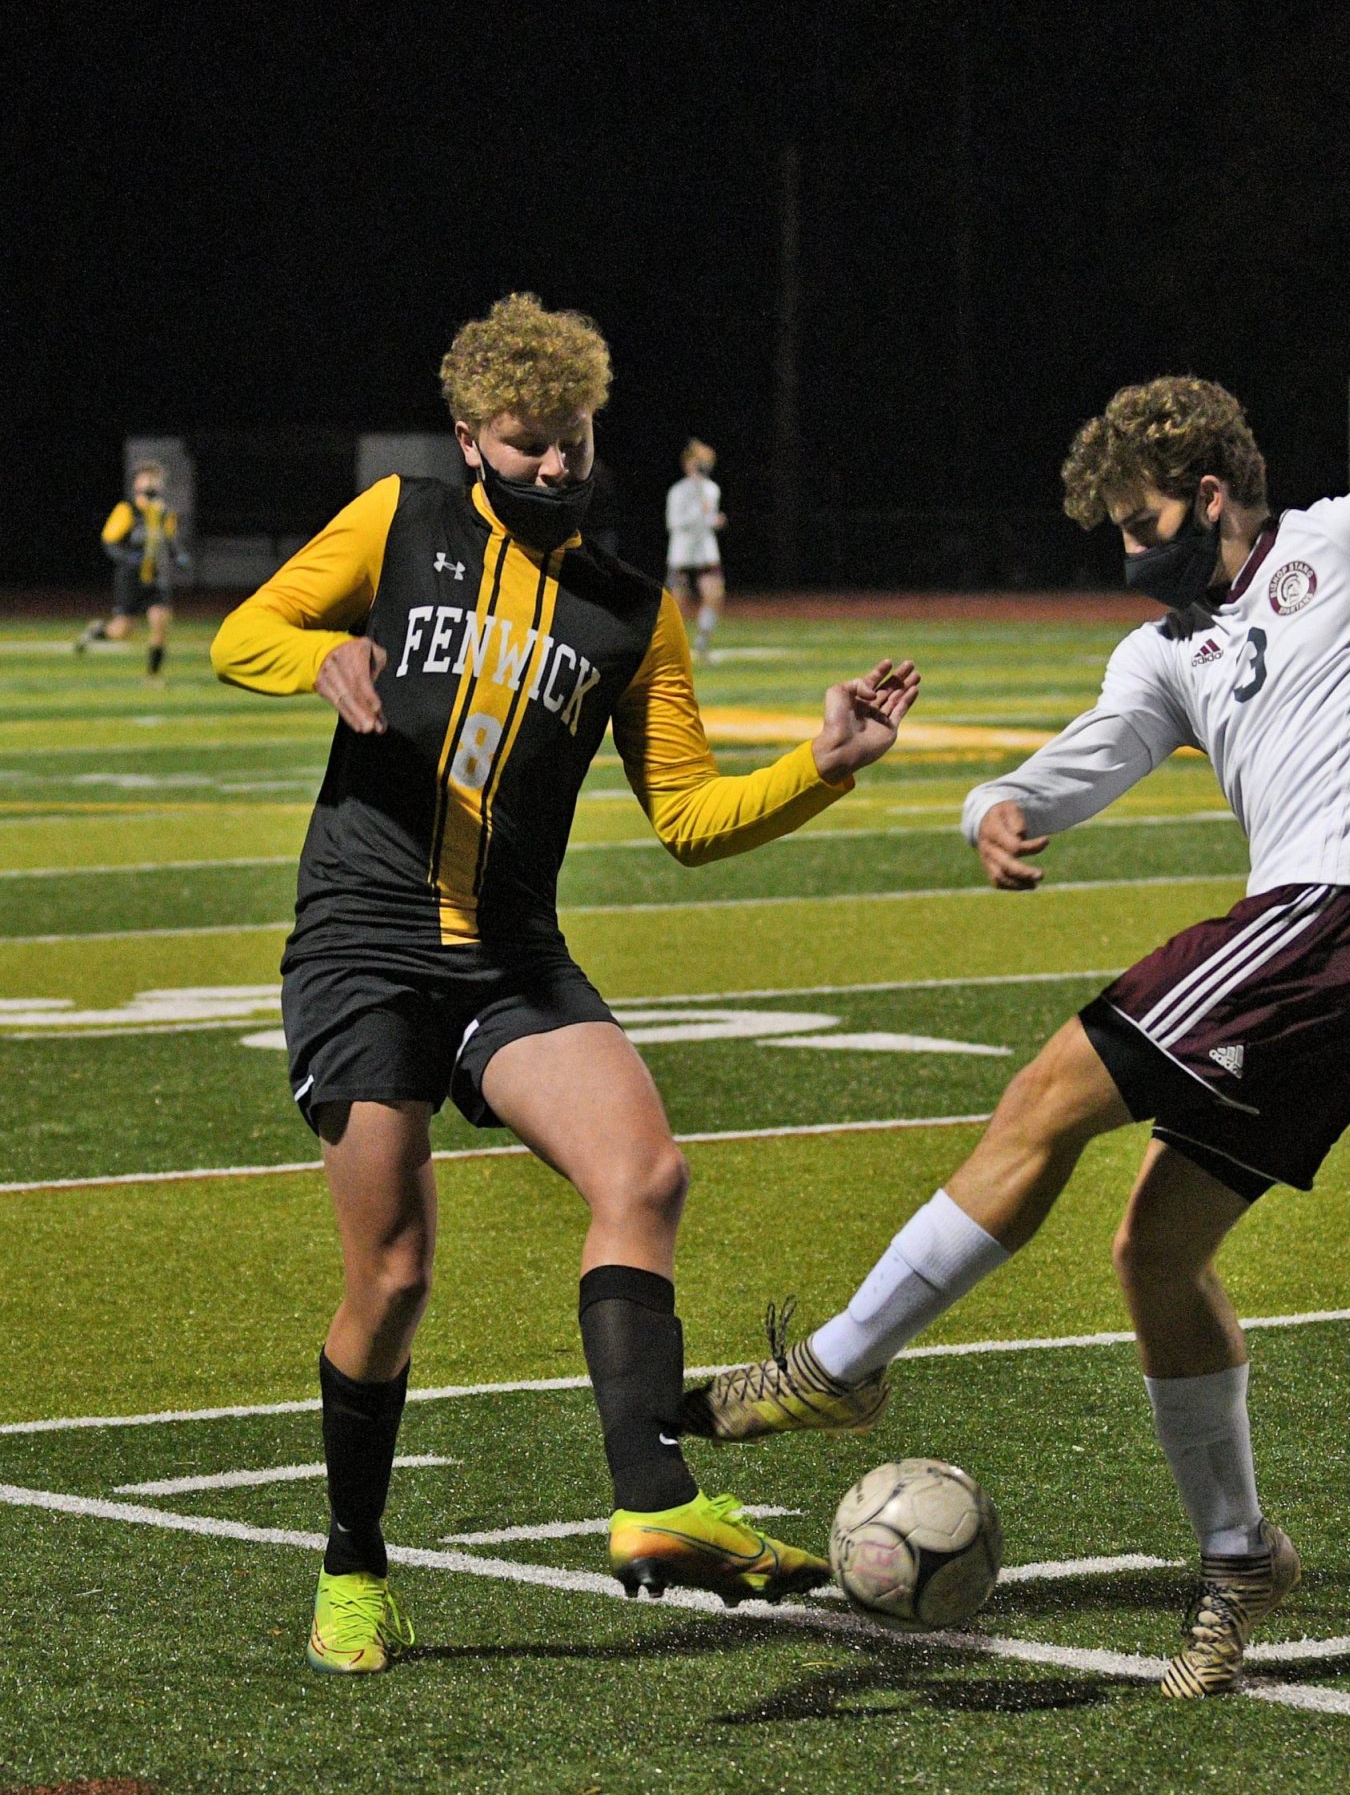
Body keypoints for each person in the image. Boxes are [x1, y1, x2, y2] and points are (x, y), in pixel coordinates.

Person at [681, 375, 1350, 1699]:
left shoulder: (1344, 541)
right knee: (1155, 1253)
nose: (1130, 552)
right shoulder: (1166, 650)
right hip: (1344, 962)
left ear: (1211, 493)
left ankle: (838, 1365)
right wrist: (995, 807)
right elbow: (1092, 753)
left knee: (1049, 1091)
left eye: (1141, 520)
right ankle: (1239, 1561)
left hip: (1343, 916)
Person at [210, 293, 919, 1675]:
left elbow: (690, 819)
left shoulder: (625, 611)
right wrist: (323, 655)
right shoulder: (399, 522)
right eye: (526, 442)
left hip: (510, 954)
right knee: (395, 1276)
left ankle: (654, 1501)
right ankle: (354, 1565)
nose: (552, 466)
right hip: (362, 942)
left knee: (643, 1175)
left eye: (572, 441)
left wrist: (825, 768)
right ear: (472, 435)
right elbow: (249, 633)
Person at [75, 460, 187, 677]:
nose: (151, 484)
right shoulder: (127, 510)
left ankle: (153, 676)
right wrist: (127, 557)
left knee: (160, 623)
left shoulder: (165, 513)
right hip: (130, 578)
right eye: (147, 479)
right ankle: (97, 631)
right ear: (137, 483)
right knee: (122, 630)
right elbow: (109, 541)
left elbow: (170, 541)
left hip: (156, 576)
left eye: (156, 480)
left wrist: (179, 555)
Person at [665, 439, 725, 660]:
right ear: (687, 464)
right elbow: (673, 523)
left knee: (715, 594)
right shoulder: (678, 491)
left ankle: (702, 642)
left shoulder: (712, 489)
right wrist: (699, 514)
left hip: (706, 552)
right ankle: (674, 648)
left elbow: (708, 518)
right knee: (677, 603)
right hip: (682, 554)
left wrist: (714, 520)